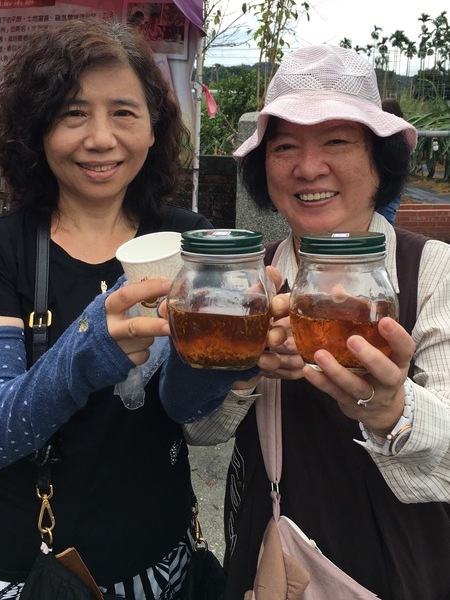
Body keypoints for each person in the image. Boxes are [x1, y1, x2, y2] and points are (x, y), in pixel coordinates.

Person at [0, 17, 223, 599]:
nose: (101, 138)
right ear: (37, 129)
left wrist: (231, 354)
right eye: (73, 114)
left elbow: (187, 408)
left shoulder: (186, 239)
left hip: (160, 557)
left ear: (153, 129)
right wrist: (91, 347)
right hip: (23, 568)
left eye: (124, 112)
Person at [161, 45, 450, 600]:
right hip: (273, 555)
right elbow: (200, 432)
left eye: (337, 142)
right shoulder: (250, 279)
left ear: (381, 160)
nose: (308, 167)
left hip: (405, 560)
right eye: (285, 146)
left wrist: (394, 411)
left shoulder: (432, 273)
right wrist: (241, 369)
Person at [377, 97, 406, 224]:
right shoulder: (403, 136)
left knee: (382, 218)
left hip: (384, 182)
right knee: (387, 218)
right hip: (395, 184)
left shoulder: (384, 137)